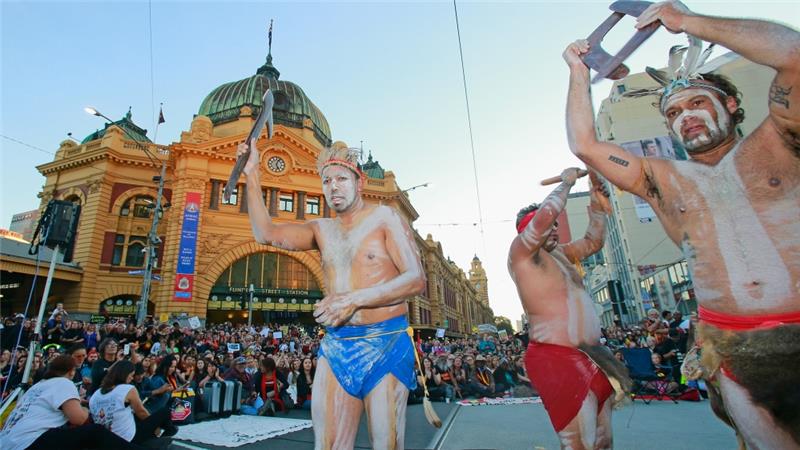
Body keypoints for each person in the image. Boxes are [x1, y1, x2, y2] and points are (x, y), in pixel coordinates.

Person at [563, 2, 800, 446]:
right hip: (735, 353)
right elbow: (586, 145)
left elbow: (793, 54)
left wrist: (686, 21)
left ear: (730, 104)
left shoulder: (779, 144)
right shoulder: (664, 180)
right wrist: (578, 72)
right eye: (673, 113)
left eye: (697, 103)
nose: (685, 115)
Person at [238, 139, 426, 449]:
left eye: (340, 179)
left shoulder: (386, 218)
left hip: (385, 342)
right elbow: (266, 234)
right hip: (337, 346)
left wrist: (353, 299)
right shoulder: (321, 229)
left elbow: (416, 279)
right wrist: (252, 173)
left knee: (386, 444)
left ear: (359, 182)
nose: (333, 187)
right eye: (327, 181)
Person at [508, 168, 631, 449]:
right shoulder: (523, 254)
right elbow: (546, 216)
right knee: (580, 444)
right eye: (547, 226)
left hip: (594, 357)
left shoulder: (562, 254)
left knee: (602, 442)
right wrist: (566, 183)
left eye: (555, 227)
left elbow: (593, 241)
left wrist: (597, 200)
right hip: (557, 358)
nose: (554, 229)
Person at [0, 355, 142, 450]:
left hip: (7, 442)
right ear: (72, 371)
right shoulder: (64, 383)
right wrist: (84, 409)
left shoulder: (38, 386)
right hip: (28, 441)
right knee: (95, 432)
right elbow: (79, 419)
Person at [89, 360, 176, 446]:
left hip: (106, 441)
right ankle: (165, 435)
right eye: (131, 375)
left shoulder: (96, 394)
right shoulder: (127, 389)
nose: (131, 378)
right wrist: (155, 427)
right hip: (128, 439)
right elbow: (141, 412)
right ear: (123, 375)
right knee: (165, 412)